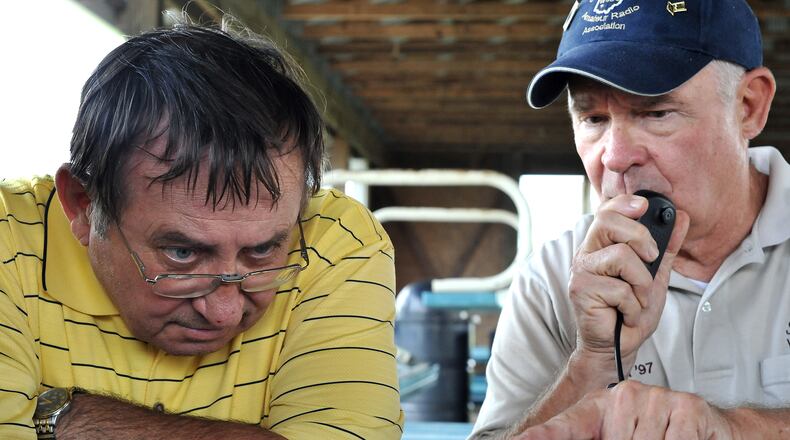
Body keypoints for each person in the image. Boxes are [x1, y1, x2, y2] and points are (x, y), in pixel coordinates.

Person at [0, 18, 403, 440]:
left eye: (263, 251)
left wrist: (69, 417)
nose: (224, 312)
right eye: (182, 254)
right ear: (83, 205)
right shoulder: (9, 236)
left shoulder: (337, 242)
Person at [471, 0, 790, 438]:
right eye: (593, 118)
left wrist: (732, 431)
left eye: (655, 113)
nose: (616, 157)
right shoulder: (551, 277)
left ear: (749, 106)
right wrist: (592, 361)